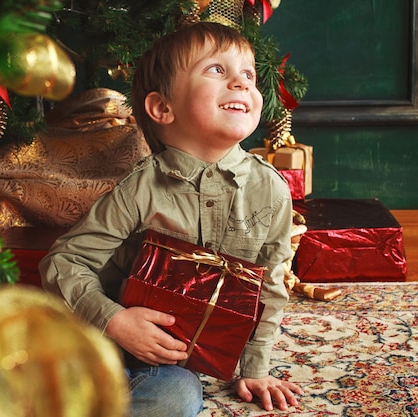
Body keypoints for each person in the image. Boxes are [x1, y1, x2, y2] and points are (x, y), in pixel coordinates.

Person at [39, 21, 303, 416]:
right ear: (163, 108)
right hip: (114, 338)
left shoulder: (272, 190)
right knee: (163, 392)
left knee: (176, 391)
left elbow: (271, 285)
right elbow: (63, 262)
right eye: (218, 70)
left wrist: (254, 368)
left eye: (248, 74)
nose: (243, 83)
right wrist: (115, 321)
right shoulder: (140, 188)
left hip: (184, 355)